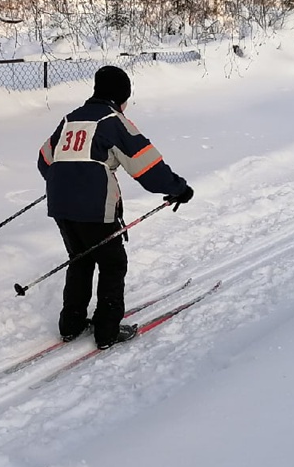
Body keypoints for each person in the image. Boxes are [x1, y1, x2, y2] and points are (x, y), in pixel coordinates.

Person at [36, 65, 193, 349]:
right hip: (95, 206)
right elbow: (147, 166)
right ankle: (107, 331)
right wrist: (179, 189)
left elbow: (45, 160)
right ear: (121, 97)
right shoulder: (113, 120)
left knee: (80, 259)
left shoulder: (70, 119)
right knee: (112, 263)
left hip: (60, 203)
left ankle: (70, 324)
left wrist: (69, 178)